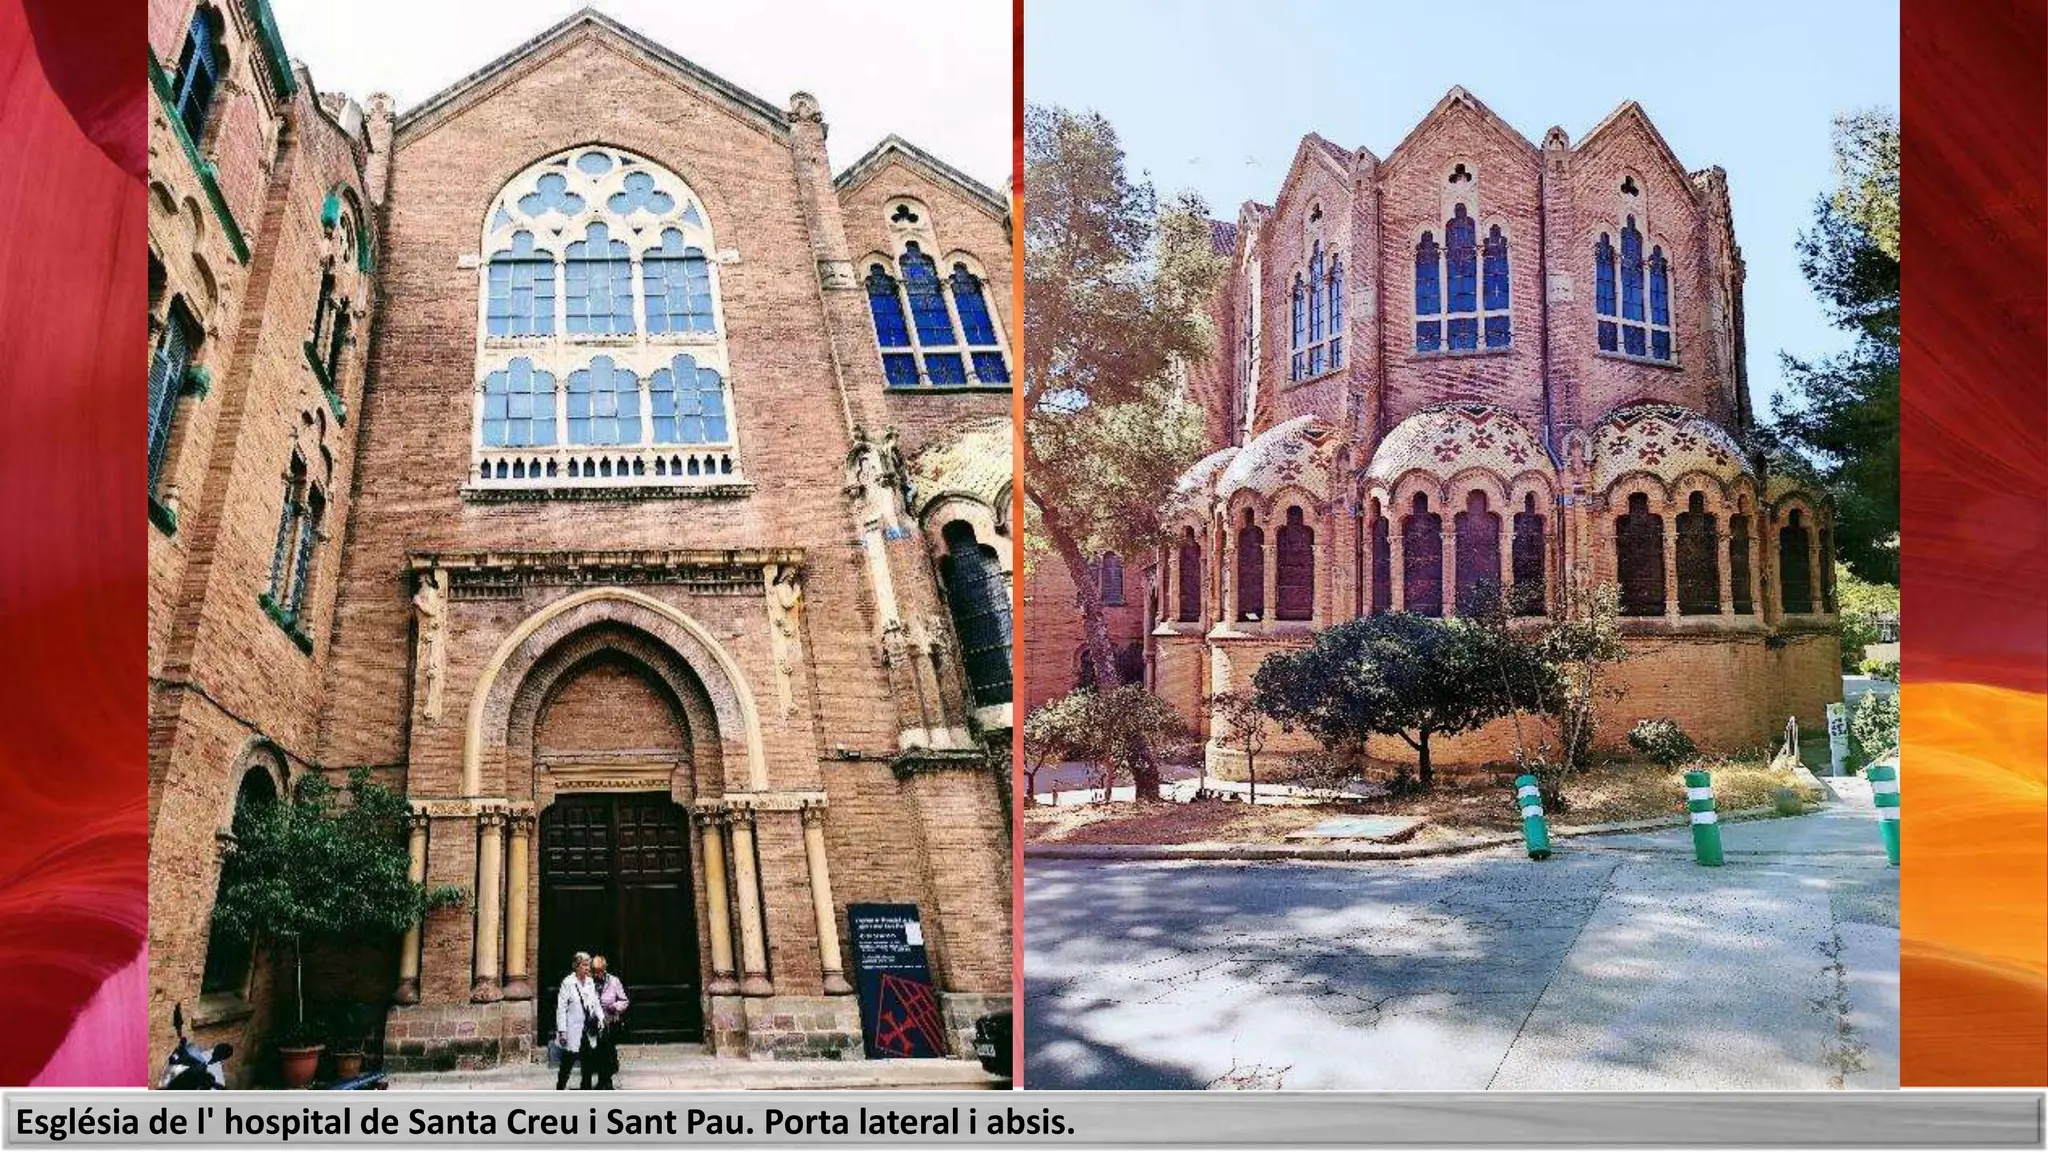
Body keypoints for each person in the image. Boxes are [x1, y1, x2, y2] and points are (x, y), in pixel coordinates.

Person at [554, 952, 601, 1090]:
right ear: (576, 966)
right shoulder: (568, 982)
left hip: (588, 1028)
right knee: (568, 1061)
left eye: (588, 965)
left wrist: (601, 1019)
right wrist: (562, 1031)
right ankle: (560, 1087)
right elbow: (561, 1008)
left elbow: (595, 1002)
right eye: (584, 965)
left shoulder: (590, 981)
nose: (587, 968)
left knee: (588, 1062)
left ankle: (586, 1090)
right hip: (573, 1028)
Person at [591, 955, 630, 1090]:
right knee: (598, 1051)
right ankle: (605, 1079)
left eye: (599, 970)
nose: (597, 974)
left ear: (604, 969)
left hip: (610, 1021)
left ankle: (606, 1081)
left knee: (606, 1049)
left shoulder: (613, 981)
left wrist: (615, 1006)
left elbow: (624, 1001)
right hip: (594, 1022)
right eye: (595, 971)